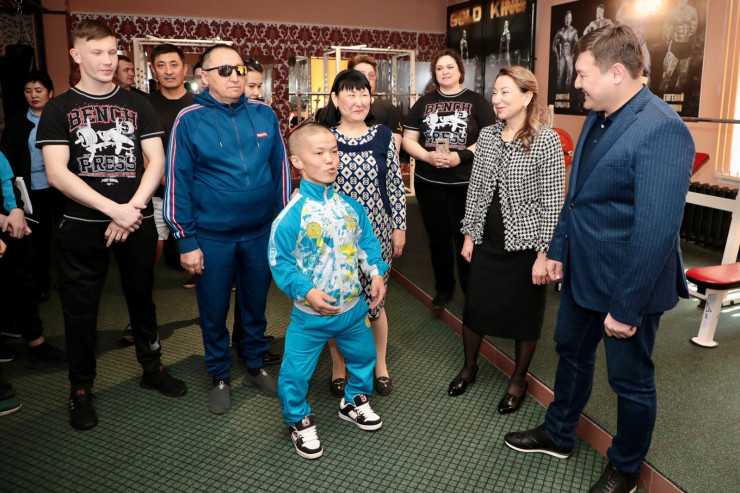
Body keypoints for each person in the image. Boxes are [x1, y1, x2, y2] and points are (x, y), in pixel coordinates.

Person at [503, 26, 694, 493]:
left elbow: (655, 231)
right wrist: (557, 250)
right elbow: (576, 198)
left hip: (630, 284)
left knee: (629, 381)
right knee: (570, 354)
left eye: (583, 74)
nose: (576, 83)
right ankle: (558, 432)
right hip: (584, 274)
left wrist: (626, 308)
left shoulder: (663, 129)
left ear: (616, 73)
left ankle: (626, 468)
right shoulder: (598, 115)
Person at [37, 20, 187, 431]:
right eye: (97, 52)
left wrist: (131, 209)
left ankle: (152, 367)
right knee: (80, 309)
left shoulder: (138, 104)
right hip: (82, 223)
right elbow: (57, 173)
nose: (107, 60)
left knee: (142, 298)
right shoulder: (59, 108)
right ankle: (81, 388)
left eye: (112, 52)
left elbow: (156, 161)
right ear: (76, 55)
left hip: (135, 218)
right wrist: (113, 210)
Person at [164, 44, 292, 415]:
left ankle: (253, 366)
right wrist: (186, 240)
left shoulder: (264, 114)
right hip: (211, 237)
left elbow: (281, 173)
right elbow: (177, 182)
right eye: (224, 70)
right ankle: (219, 374)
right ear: (203, 77)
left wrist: (286, 225)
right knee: (214, 309)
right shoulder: (189, 119)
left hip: (259, 233)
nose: (235, 77)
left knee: (255, 305)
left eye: (239, 69)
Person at [269, 122, 387, 459]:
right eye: (319, 153)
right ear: (297, 162)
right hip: (310, 317)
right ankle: (297, 418)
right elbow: (281, 262)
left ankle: (354, 401)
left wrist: (376, 273)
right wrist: (306, 292)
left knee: (364, 358)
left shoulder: (350, 207)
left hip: (352, 311)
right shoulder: (291, 216)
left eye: (333, 151)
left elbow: (366, 244)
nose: (330, 159)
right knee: (295, 373)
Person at [450, 66, 564, 414]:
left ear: (527, 96)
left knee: (524, 315)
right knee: (475, 307)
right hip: (487, 237)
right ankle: (469, 367)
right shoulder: (487, 136)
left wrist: (544, 254)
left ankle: (518, 380)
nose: (496, 99)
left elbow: (552, 202)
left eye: (504, 92)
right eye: (494, 92)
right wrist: (469, 235)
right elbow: (476, 190)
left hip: (526, 244)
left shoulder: (546, 140)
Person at [317, 70, 406, 397]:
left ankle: (380, 364)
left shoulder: (383, 135)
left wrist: (399, 226)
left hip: (378, 232)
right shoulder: (325, 137)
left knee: (375, 301)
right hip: (335, 235)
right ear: (335, 99)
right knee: (336, 301)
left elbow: (395, 184)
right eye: (350, 94)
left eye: (363, 93)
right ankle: (338, 366)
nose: (358, 101)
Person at [402, 48, 495, 310]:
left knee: (467, 240)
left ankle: (471, 293)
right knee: (438, 239)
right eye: (440, 68)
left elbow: (490, 138)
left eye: (450, 67)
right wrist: (427, 156)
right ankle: (444, 288)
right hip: (429, 184)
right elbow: (408, 140)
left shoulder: (477, 101)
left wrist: (461, 156)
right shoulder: (423, 103)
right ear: (434, 73)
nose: (445, 72)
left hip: (466, 186)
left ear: (460, 71)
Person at [1, 71, 65, 302]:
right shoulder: (17, 121)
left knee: (66, 233)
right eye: (28, 91)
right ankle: (41, 282)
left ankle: (67, 279)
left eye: (39, 90)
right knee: (38, 237)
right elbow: (8, 157)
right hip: (32, 189)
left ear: (50, 92)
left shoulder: (60, 116)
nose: (34, 95)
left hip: (61, 186)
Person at [0, 145, 66, 368]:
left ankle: (36, 344)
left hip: (8, 222)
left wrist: (16, 211)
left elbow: (7, 180)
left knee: (23, 282)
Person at [347, 54, 404, 153]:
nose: (367, 80)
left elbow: (394, 151)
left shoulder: (389, 110)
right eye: (361, 75)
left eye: (371, 76)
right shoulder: (334, 109)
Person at [659, 0, 698, 93]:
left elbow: (694, 29)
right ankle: (660, 94)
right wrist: (670, 44)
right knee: (667, 75)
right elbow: (666, 34)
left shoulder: (692, 12)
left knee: (683, 77)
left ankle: (678, 97)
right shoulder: (672, 14)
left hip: (686, 45)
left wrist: (685, 37)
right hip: (675, 46)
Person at [552, 11, 579, 92]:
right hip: (562, 56)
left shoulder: (574, 31)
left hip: (569, 55)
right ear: (564, 19)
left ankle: (566, 94)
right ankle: (559, 94)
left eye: (569, 18)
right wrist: (557, 58)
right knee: (559, 77)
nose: (567, 20)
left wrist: (573, 56)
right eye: (566, 18)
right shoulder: (560, 31)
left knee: (570, 76)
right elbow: (553, 45)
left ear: (571, 19)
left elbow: (577, 45)